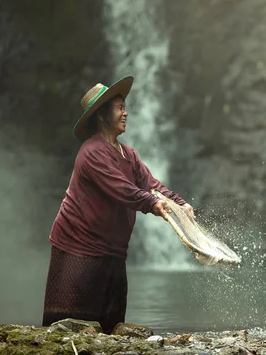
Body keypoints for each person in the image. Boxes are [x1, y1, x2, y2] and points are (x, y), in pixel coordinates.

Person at [42, 76, 194, 334]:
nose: (126, 113)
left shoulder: (127, 153)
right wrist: (154, 204)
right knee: (70, 329)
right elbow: (122, 190)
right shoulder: (91, 152)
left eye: (125, 107)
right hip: (79, 247)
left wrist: (180, 204)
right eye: (120, 107)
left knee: (111, 327)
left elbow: (150, 184)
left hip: (112, 249)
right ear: (102, 115)